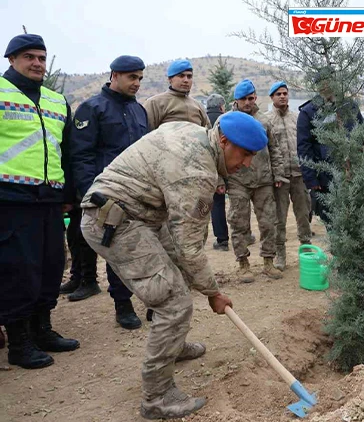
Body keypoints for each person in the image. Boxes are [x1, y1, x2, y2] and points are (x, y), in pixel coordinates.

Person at [79, 112, 263, 419]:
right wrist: (214, 293)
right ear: (224, 140)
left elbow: (183, 247)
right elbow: (190, 246)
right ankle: (157, 398)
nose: (246, 164)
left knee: (179, 276)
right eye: (245, 154)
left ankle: (172, 346)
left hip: (139, 214)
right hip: (115, 221)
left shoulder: (194, 132)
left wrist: (200, 282)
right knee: (174, 302)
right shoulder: (197, 172)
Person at [0, 34, 79, 369]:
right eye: (29, 57)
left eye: (42, 58)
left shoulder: (56, 100)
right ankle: (19, 343)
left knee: (51, 265)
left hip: (50, 198)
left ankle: (42, 329)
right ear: (11, 59)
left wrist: (68, 194)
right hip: (10, 198)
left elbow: (68, 151)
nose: (37, 64)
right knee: (20, 270)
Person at [64, 55, 151, 329]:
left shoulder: (140, 111)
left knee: (147, 249)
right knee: (116, 251)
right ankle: (122, 306)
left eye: (139, 78)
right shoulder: (93, 108)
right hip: (107, 195)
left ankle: (153, 302)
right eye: (131, 77)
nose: (136, 83)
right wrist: (92, 194)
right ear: (114, 75)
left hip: (139, 193)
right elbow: (81, 155)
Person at [226, 79, 283, 281]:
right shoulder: (227, 121)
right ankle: (243, 264)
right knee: (239, 223)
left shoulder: (264, 120)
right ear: (236, 100)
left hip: (263, 180)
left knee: (268, 222)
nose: (248, 102)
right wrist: (219, 180)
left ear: (256, 97)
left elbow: (275, 149)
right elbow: (219, 153)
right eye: (244, 99)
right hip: (237, 180)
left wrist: (278, 173)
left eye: (251, 98)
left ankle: (268, 262)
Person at [297, 67, 364, 225]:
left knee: (357, 220)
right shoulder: (308, 112)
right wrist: (311, 180)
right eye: (322, 82)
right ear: (318, 86)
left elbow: (363, 135)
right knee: (333, 223)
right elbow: (304, 148)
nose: (326, 86)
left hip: (353, 174)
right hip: (325, 179)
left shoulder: (350, 106)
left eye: (329, 81)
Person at [260, 81, 312, 270]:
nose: (282, 96)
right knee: (279, 219)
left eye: (285, 93)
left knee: (303, 215)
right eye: (278, 94)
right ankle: (280, 254)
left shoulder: (298, 118)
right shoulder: (266, 120)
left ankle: (306, 250)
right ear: (272, 97)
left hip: (299, 174)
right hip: (279, 178)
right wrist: (274, 175)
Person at [143, 59, 210, 130]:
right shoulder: (155, 103)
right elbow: (146, 134)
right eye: (181, 76)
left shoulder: (198, 106)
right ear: (170, 79)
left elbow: (208, 133)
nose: (186, 80)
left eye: (189, 76)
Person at [205, 93, 230, 251]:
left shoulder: (201, 121)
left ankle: (222, 240)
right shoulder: (226, 120)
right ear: (222, 107)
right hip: (230, 168)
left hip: (210, 170)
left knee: (217, 205)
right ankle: (245, 235)